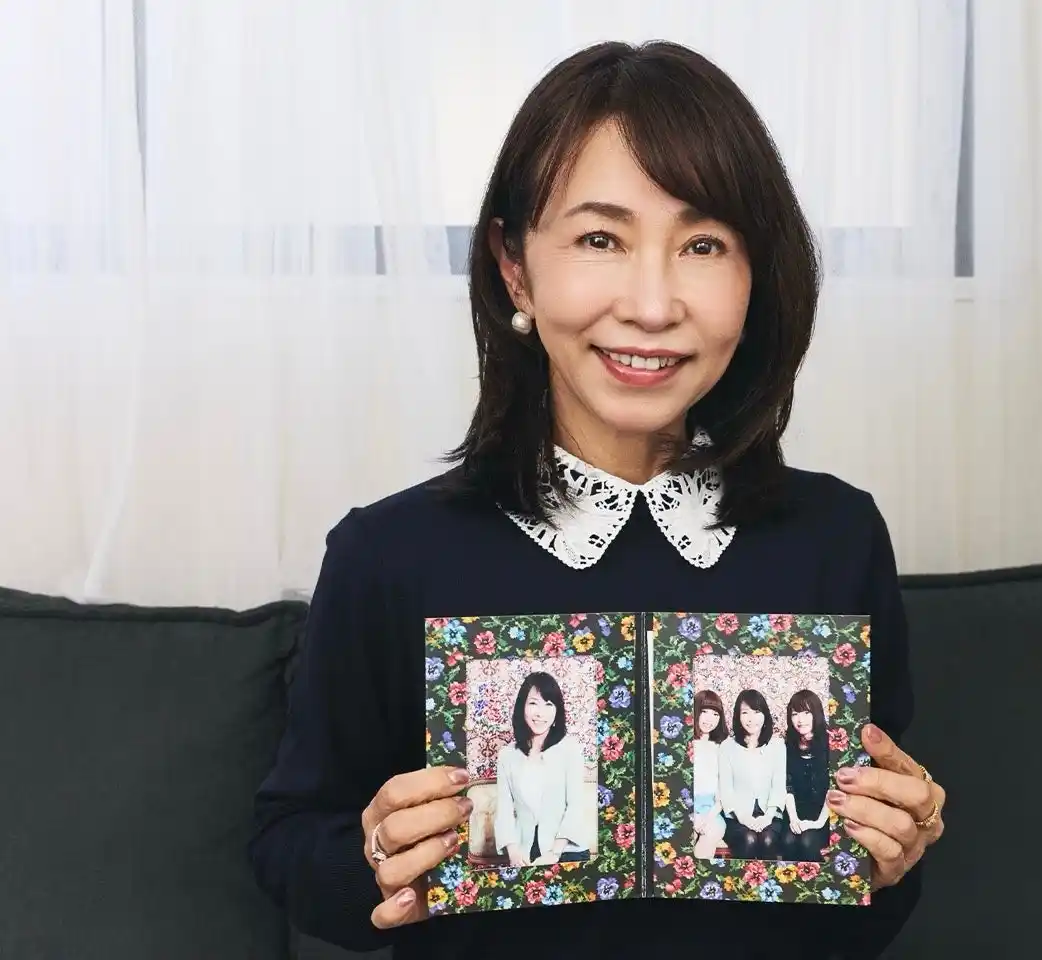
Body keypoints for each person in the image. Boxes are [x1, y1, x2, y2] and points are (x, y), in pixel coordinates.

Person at [250, 38, 946, 960]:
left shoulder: (835, 537)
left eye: (703, 244)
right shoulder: (390, 555)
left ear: (755, 277)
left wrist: (892, 853)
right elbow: (291, 846)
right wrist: (375, 856)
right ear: (514, 266)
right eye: (600, 239)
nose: (652, 306)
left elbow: (860, 895)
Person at [492, 671, 590, 866]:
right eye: (533, 703)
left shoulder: (570, 749)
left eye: (549, 704)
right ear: (522, 707)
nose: (540, 713)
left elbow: (576, 806)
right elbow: (503, 811)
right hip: (524, 854)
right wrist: (513, 852)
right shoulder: (507, 755)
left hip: (567, 851)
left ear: (556, 711)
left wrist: (554, 853)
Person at [718, 689, 786, 859]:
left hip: (771, 814)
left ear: (765, 715)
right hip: (736, 816)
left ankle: (769, 877)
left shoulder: (777, 745)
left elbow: (779, 785)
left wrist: (768, 816)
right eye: (745, 713)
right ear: (738, 716)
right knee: (749, 839)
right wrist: (743, 817)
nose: (751, 718)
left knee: (768, 839)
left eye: (756, 712)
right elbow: (726, 789)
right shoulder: (727, 747)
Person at [782, 688, 834, 863]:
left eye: (806, 713)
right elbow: (787, 786)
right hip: (794, 813)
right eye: (795, 714)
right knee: (788, 841)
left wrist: (818, 823)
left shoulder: (831, 744)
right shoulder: (787, 746)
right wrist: (794, 819)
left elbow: (834, 787)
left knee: (807, 841)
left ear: (816, 714)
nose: (800, 720)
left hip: (825, 814)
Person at [690, 688, 729, 860]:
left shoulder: (721, 748)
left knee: (709, 834)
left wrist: (706, 818)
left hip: (712, 812)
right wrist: (694, 817)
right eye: (704, 711)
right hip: (686, 809)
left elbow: (722, 796)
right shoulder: (684, 746)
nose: (709, 719)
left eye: (715, 714)